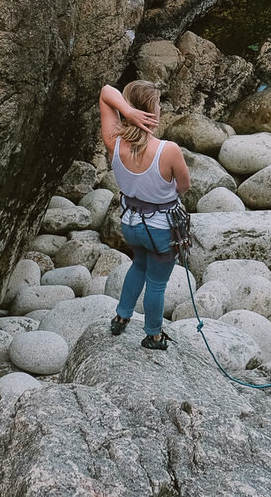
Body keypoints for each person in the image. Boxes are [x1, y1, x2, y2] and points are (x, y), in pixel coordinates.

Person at [99, 80, 190, 350]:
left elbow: (106, 92)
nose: (160, 108)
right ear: (151, 111)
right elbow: (183, 186)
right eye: (158, 103)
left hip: (130, 223)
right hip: (162, 229)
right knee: (157, 283)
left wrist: (126, 111)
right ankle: (153, 335)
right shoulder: (168, 150)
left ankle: (121, 316)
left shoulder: (113, 141)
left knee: (138, 264)